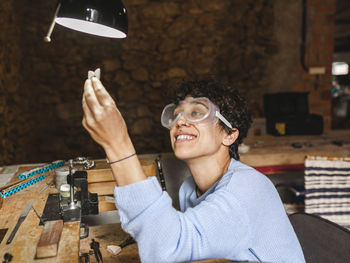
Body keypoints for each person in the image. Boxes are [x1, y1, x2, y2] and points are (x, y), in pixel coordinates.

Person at [82, 78, 305, 263]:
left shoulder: (248, 188)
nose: (180, 122)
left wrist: (117, 144)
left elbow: (169, 247)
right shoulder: (189, 189)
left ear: (229, 135)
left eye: (197, 113)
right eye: (177, 114)